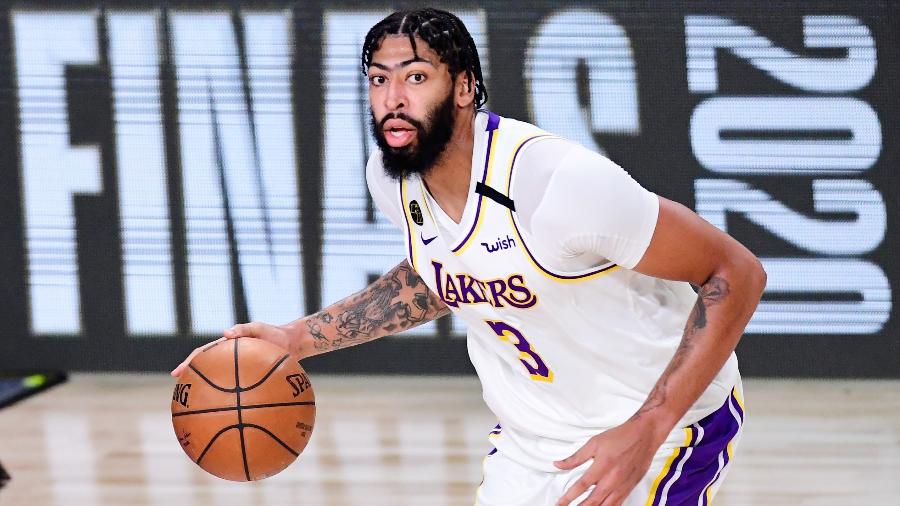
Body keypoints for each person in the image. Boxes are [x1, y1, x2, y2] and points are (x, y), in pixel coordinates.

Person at [172, 8, 766, 505]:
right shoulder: (392, 178)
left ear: (463, 87)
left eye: (415, 77)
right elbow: (447, 273)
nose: (393, 99)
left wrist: (650, 426)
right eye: (378, 80)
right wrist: (298, 339)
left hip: (656, 429)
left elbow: (735, 272)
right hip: (532, 439)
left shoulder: (555, 184)